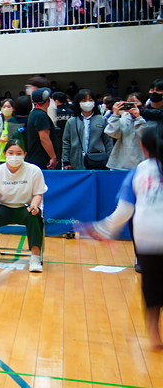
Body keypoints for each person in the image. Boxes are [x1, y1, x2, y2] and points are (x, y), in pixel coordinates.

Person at [81, 125, 163, 349]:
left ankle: (154, 333)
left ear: (143, 148)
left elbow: (125, 211)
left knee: (152, 285)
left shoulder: (138, 171)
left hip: (147, 235)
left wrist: (101, 229)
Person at [0, 140, 46, 273]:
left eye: (19, 153)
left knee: (35, 217)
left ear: (25, 154)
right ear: (5, 154)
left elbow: (38, 194)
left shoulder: (34, 170)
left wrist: (34, 206)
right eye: (11, 153)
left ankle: (35, 258)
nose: (14, 156)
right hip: (4, 207)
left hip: (25, 207)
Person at [62, 88, 110, 170]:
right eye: (84, 100)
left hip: (98, 161)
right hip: (76, 162)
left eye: (90, 100)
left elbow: (108, 141)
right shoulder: (71, 122)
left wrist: (109, 160)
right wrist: (66, 161)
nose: (87, 103)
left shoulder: (102, 120)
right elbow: (66, 142)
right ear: (78, 103)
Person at [106, 97, 148, 171]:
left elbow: (145, 135)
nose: (132, 105)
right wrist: (115, 114)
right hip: (120, 164)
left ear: (144, 105)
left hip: (143, 163)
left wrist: (138, 118)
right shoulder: (121, 120)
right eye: (129, 103)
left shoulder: (149, 119)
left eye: (135, 103)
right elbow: (112, 133)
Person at [24, 87, 58, 169]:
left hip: (34, 158)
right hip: (41, 160)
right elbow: (44, 138)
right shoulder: (41, 116)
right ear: (49, 100)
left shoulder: (33, 114)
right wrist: (53, 157)